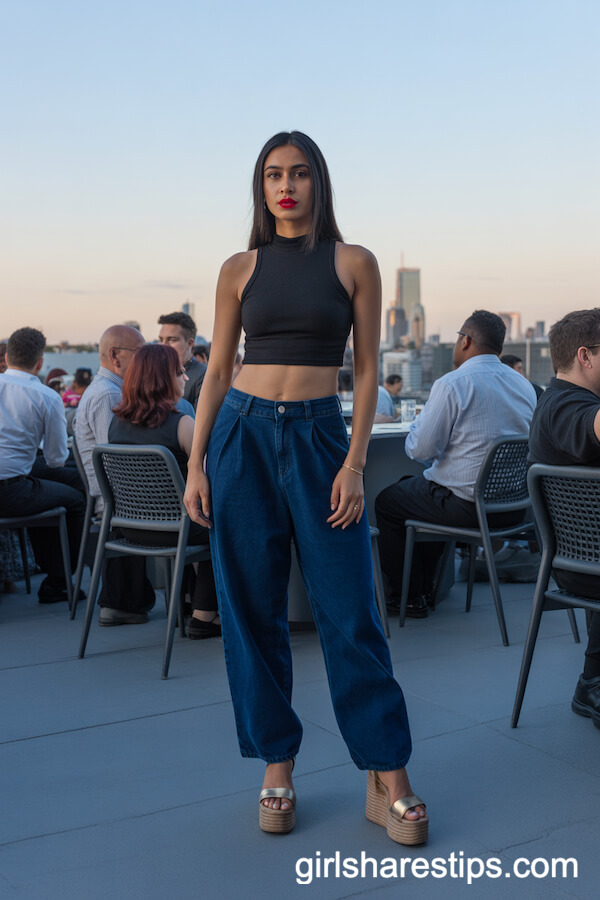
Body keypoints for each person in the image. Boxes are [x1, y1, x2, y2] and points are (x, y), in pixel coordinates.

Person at [183, 131, 427, 843]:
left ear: (318, 182)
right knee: (251, 609)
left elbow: (364, 371)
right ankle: (276, 767)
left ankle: (389, 775)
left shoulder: (354, 262)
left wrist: (352, 465)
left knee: (350, 609)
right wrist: (198, 462)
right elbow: (219, 372)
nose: (285, 185)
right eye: (271, 175)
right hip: (241, 435)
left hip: (321, 439)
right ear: (259, 188)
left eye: (298, 173)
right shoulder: (239, 267)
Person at [376, 311, 537, 618]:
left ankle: (408, 597)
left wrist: (420, 427)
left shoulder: (453, 384)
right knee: (419, 491)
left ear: (466, 340)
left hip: (466, 508)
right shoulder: (523, 385)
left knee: (389, 501)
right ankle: (425, 591)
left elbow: (420, 448)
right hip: (514, 509)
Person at [109, 343, 219, 638]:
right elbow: (214, 473)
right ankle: (205, 615)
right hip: (176, 531)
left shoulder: (115, 424)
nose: (185, 378)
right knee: (222, 521)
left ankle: (185, 602)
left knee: (196, 515)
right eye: (179, 371)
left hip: (132, 530)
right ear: (162, 378)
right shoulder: (182, 424)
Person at [528, 309, 600, 729]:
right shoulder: (565, 406)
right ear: (585, 356)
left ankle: (592, 681)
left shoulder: (557, 400)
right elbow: (588, 426)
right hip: (584, 564)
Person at [74, 324, 155, 625]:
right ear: (115, 356)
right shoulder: (108, 395)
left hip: (111, 498)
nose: (145, 361)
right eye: (140, 353)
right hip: (116, 502)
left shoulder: (105, 391)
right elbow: (116, 463)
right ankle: (195, 607)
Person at [0, 327, 85, 603]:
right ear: (39, 363)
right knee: (74, 499)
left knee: (46, 484)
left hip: (13, 481)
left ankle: (51, 573)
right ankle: (58, 580)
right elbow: (55, 459)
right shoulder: (47, 397)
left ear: (7, 356)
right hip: (10, 492)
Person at [158, 312, 206, 409]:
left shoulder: (204, 376)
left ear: (190, 343)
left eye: (171, 340)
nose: (163, 345)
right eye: (161, 339)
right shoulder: (155, 371)